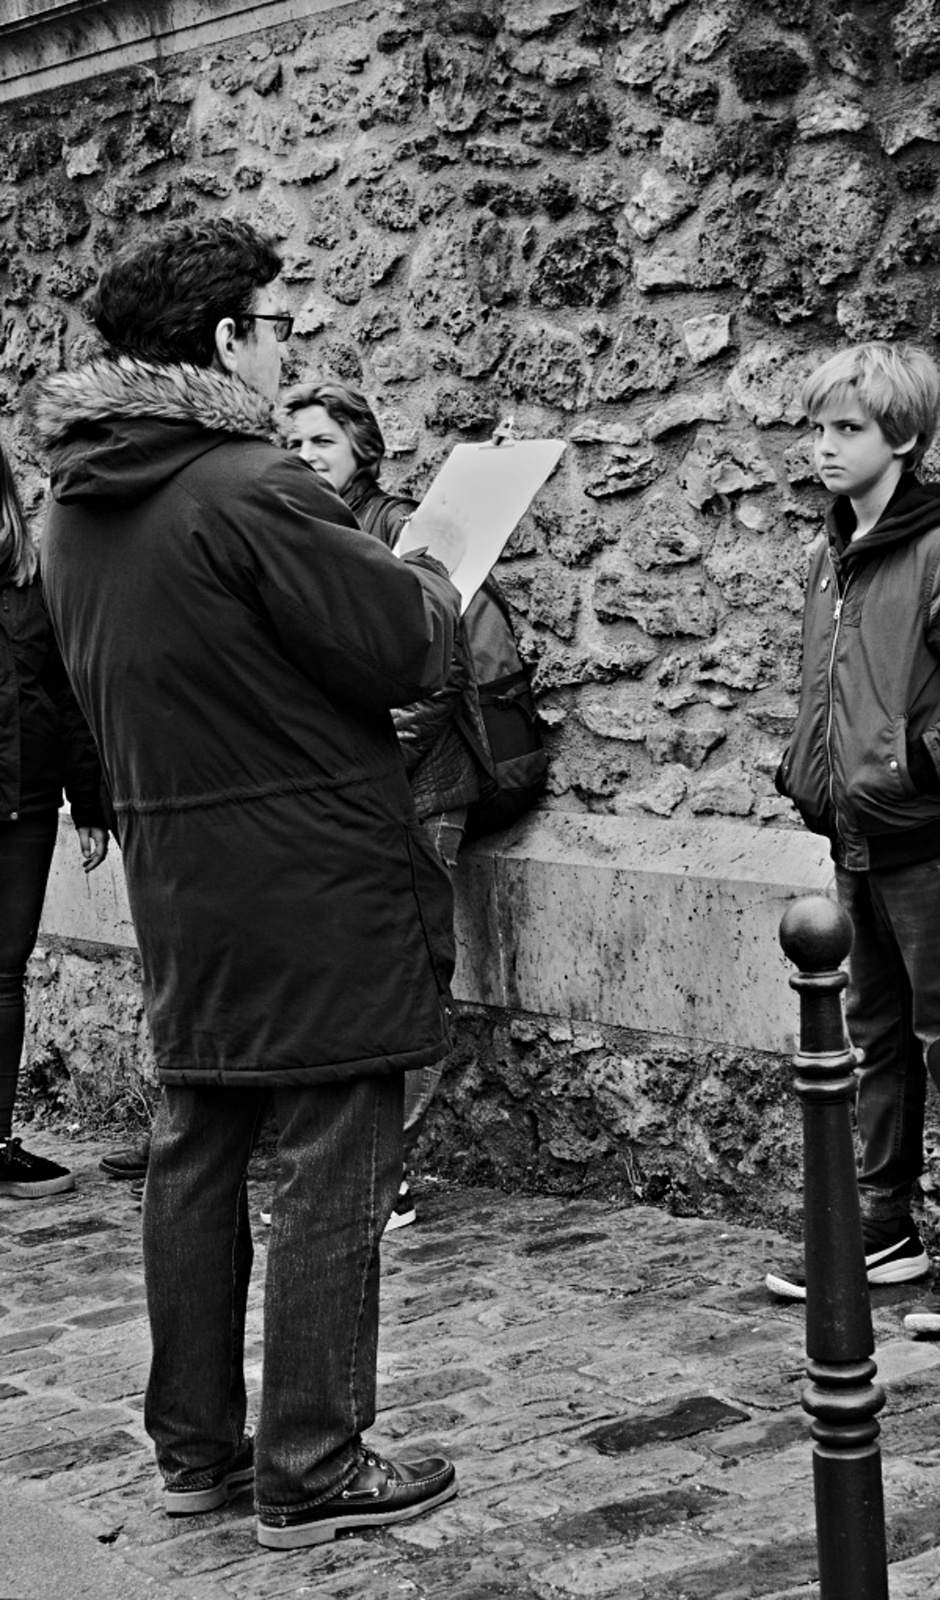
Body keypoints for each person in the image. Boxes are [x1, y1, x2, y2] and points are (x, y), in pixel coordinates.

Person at [33, 216, 461, 1548]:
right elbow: (400, 645)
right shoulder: (248, 483)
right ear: (224, 340)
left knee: (201, 1146)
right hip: (310, 867)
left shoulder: (76, 500)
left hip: (183, 871)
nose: (290, 352)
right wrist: (432, 574)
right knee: (336, 1149)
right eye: (279, 328)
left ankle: (198, 1454)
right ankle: (315, 1463)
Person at [767, 341, 940, 1336]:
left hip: (924, 839)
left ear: (902, 437)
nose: (823, 448)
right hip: (852, 837)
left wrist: (924, 763)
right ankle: (883, 1222)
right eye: (817, 428)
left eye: (846, 429)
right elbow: (830, 688)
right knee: (873, 1034)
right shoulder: (827, 554)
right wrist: (805, 771)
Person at [283, 381, 487, 1226]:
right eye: (292, 445)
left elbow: (435, 671)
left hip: (422, 788)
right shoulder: (299, 532)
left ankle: (385, 1174)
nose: (304, 459)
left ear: (363, 449)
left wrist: (355, 763)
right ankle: (354, 1166)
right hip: (349, 794)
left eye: (320, 444)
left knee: (410, 975)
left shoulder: (401, 530)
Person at [0, 441, 109, 1200]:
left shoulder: (35, 588)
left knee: (5, 976)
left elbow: (69, 702)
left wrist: (91, 804)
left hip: (24, 809)